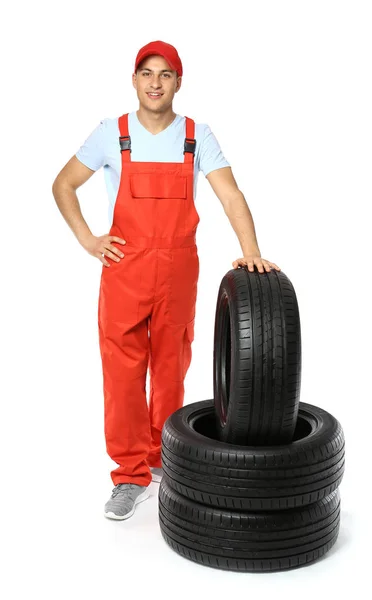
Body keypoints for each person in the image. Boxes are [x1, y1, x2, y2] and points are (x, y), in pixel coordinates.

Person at [52, 40, 281, 521]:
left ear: (179, 82)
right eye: (147, 73)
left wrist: (251, 252)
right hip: (125, 268)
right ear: (133, 80)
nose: (155, 82)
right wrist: (88, 239)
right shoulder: (111, 133)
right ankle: (129, 475)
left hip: (178, 267)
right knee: (123, 373)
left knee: (171, 367)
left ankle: (164, 461)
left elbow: (231, 195)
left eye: (166, 74)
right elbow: (63, 184)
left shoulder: (197, 135)